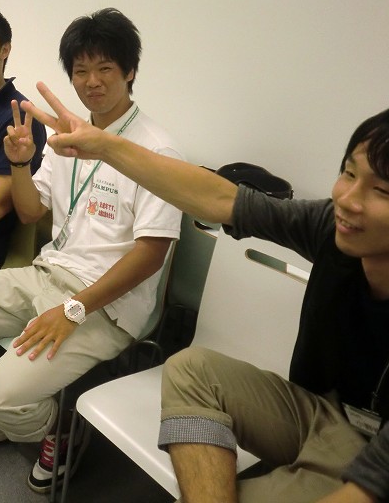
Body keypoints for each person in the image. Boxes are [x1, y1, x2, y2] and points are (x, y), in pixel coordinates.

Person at [20, 90, 389, 500]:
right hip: (322, 412)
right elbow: (223, 199)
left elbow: (371, 486)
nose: (347, 200)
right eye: (349, 174)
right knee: (190, 367)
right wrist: (105, 146)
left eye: (382, 191)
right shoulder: (330, 228)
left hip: (373, 456)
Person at [0, 8, 182, 493]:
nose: (92, 81)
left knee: (2, 395)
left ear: (130, 71)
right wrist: (19, 163)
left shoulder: (157, 152)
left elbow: (150, 256)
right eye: (81, 70)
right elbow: (30, 211)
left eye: (105, 68)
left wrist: (74, 309)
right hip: (45, 273)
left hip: (108, 304)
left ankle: (59, 433)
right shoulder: (67, 139)